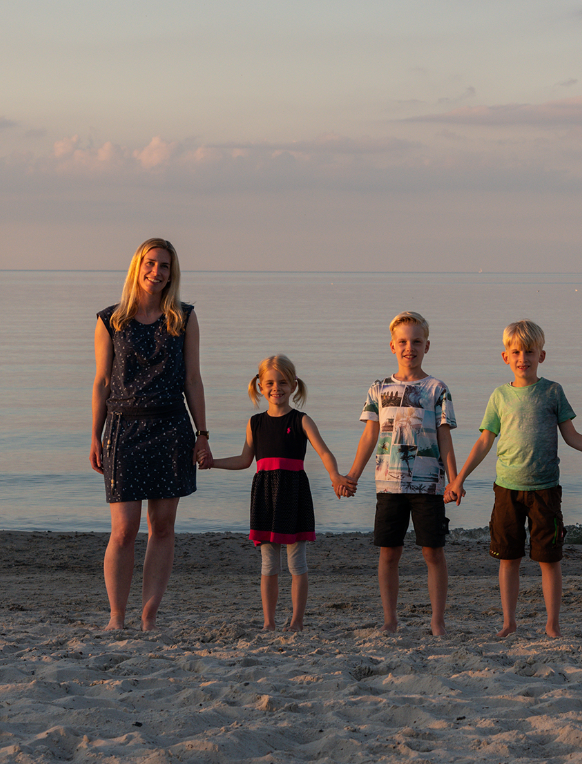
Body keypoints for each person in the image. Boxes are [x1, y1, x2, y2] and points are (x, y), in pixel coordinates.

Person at [445, 320, 582, 638]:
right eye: (516, 351)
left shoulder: (553, 392)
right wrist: (458, 479)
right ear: (505, 356)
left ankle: (552, 624)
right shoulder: (500, 396)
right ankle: (508, 622)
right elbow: (484, 441)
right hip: (507, 489)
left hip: (545, 489)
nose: (523, 358)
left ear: (541, 355)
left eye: (529, 351)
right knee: (509, 559)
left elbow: (571, 436)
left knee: (549, 559)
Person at [90, 238, 211, 631]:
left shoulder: (183, 317)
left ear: (171, 274)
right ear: (137, 266)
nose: (156, 272)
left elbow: (193, 379)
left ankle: (149, 616)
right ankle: (116, 616)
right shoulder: (110, 319)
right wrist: (95, 435)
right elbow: (102, 381)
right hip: (123, 428)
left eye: (164, 267)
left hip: (171, 427)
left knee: (162, 527)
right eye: (151, 263)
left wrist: (202, 433)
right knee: (123, 530)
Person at [207, 355, 354, 631]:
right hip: (264, 494)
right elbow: (244, 460)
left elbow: (324, 451)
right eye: (271, 383)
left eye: (283, 382)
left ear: (294, 385)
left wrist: (335, 476)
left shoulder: (302, 420)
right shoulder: (255, 423)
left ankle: (297, 620)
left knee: (296, 561)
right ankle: (269, 622)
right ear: (260, 386)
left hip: (293, 492)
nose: (277, 388)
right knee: (268, 562)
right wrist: (213, 462)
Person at [345, 311, 459, 635]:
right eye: (404, 342)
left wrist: (454, 480)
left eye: (417, 342)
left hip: (429, 485)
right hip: (388, 484)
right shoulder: (378, 388)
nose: (410, 347)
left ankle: (437, 620)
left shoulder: (438, 388)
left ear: (427, 346)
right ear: (392, 346)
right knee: (389, 553)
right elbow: (369, 435)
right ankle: (390, 619)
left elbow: (444, 436)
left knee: (432, 552)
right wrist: (352, 475)